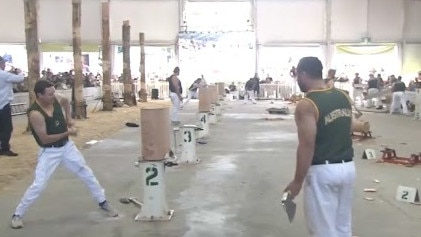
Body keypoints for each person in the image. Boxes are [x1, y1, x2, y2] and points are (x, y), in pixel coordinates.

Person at [11, 80, 118, 229]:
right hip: (49, 151)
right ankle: (18, 214)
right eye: (49, 94)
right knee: (39, 185)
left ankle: (103, 201)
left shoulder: (55, 98)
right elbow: (45, 138)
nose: (53, 96)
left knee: (86, 173)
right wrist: (68, 132)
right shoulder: (35, 113)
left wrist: (68, 118)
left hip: (67, 147)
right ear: (39, 95)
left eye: (53, 92)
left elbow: (66, 101)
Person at [284, 57, 355, 237]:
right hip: (348, 167)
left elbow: (307, 145)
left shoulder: (307, 104)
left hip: (323, 172)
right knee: (342, 228)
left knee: (323, 231)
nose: (297, 80)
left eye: (297, 75)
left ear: (303, 74)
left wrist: (297, 181)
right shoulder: (343, 96)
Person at [0, 56, 25, 156]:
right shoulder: (3, 74)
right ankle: (5, 148)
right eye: (3, 63)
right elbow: (20, 79)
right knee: (7, 128)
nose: (4, 65)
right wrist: (19, 72)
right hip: (3, 104)